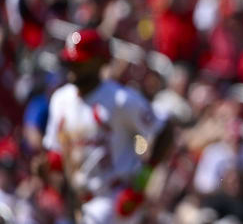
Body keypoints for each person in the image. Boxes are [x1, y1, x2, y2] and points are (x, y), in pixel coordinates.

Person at [43, 29, 174, 223]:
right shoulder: (60, 100)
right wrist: (45, 168)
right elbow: (55, 155)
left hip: (112, 198)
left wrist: (141, 184)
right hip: (77, 200)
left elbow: (164, 131)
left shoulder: (121, 100)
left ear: (100, 62)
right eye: (70, 61)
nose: (73, 66)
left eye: (80, 62)